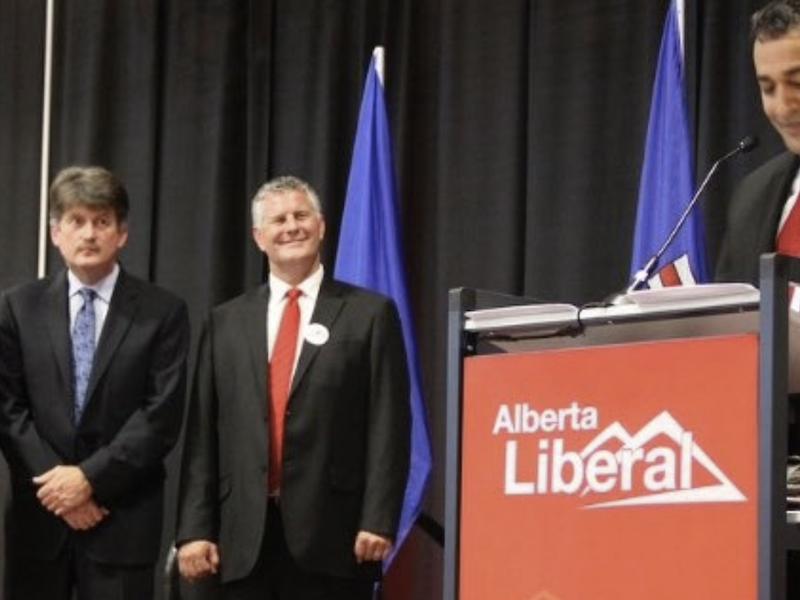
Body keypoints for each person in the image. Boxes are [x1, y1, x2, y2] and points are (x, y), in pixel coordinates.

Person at [175, 175, 411, 600]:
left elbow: (389, 424)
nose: (291, 226)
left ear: (321, 225)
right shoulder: (225, 321)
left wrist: (378, 518)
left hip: (335, 537)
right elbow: (202, 435)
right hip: (242, 538)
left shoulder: (369, 314)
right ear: (258, 236)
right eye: (278, 219)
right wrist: (194, 530)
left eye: (301, 215)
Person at [0, 165, 190, 600]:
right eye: (76, 221)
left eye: (102, 222)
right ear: (55, 232)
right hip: (39, 524)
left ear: (121, 233)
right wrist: (59, 487)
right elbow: (8, 410)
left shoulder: (163, 312)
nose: (89, 234)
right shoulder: (17, 308)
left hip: (120, 520)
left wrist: (89, 481)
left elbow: (160, 416)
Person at [714, 1, 800, 595]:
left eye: (797, 82)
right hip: (768, 476)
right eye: (767, 87)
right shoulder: (754, 191)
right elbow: (731, 324)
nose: (781, 106)